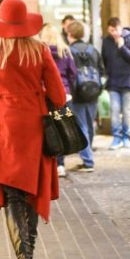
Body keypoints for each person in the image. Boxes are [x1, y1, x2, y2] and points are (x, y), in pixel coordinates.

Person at [0, 0, 66, 259]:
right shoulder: (40, 50)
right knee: (32, 191)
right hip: (35, 125)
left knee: (12, 192)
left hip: (5, 124)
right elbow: (58, 96)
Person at [40, 24, 79, 177]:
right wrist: (67, 86)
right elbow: (73, 73)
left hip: (46, 96)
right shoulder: (66, 51)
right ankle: (61, 165)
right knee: (63, 128)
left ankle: (49, 164)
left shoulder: (40, 52)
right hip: (64, 95)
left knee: (48, 130)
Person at [65, 20, 102, 174]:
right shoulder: (93, 50)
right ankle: (88, 155)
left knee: (81, 126)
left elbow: (69, 73)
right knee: (89, 125)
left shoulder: (68, 51)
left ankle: (88, 161)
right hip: (93, 93)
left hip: (77, 94)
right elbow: (102, 70)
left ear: (70, 34)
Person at [101, 17, 130, 151]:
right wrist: (106, 75)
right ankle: (116, 137)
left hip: (127, 81)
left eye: (116, 30)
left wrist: (122, 47)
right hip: (113, 82)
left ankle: (126, 137)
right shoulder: (106, 41)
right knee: (115, 110)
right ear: (108, 29)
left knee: (127, 111)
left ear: (120, 28)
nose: (114, 33)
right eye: (111, 30)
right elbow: (104, 60)